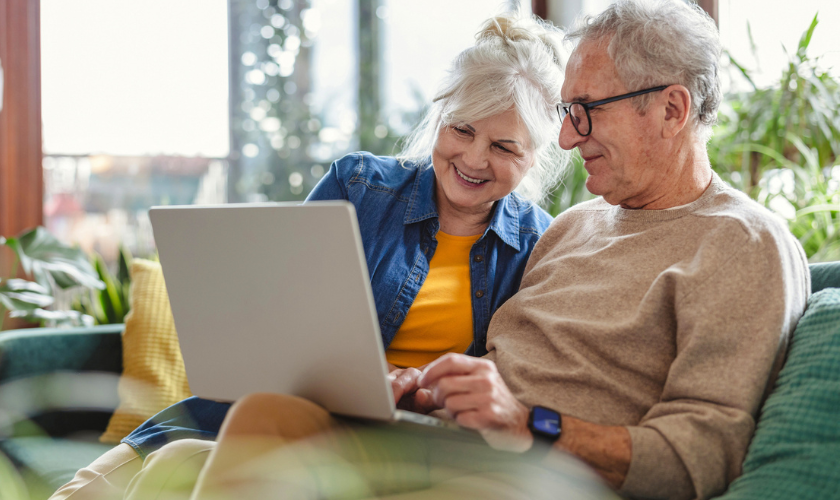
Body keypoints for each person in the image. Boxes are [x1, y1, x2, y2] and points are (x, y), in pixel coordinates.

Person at [113, 1, 810, 499]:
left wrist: (529, 424)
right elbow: (502, 366)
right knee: (227, 437)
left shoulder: (743, 243)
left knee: (238, 448)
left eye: (585, 112)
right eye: (566, 113)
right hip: (445, 439)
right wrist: (427, 386)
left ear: (672, 109)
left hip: (543, 474)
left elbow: (700, 454)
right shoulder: (574, 228)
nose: (567, 139)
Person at [50, 12, 571, 500]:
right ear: (439, 119)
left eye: (504, 147)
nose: (474, 158)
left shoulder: (539, 245)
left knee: (173, 466)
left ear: (534, 157)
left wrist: (426, 388)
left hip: (396, 442)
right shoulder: (359, 187)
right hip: (270, 410)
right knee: (91, 490)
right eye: (462, 129)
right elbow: (279, 324)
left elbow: (514, 385)